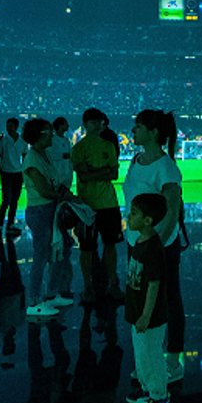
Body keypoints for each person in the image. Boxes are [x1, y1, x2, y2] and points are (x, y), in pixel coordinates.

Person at [123, 109, 186, 382]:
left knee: (168, 299)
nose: (133, 131)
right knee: (142, 298)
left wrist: (156, 247)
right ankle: (148, 359)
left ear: (154, 132)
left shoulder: (166, 168)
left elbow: (172, 211)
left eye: (138, 126)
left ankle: (172, 361)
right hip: (136, 243)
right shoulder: (135, 161)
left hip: (160, 246)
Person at [123, 193, 173, 403]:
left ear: (147, 220)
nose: (128, 216)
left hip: (150, 317)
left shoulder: (152, 248)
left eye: (134, 213)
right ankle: (147, 390)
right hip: (138, 313)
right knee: (142, 354)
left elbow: (154, 285)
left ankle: (160, 398)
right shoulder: (140, 241)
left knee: (152, 356)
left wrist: (145, 315)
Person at [21, 118, 78, 316]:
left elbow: (55, 182)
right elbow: (44, 190)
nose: (52, 134)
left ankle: (52, 294)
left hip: (51, 210)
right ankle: (34, 301)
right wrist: (67, 197)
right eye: (48, 131)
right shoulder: (32, 159)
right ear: (38, 135)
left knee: (60, 250)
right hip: (40, 211)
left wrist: (65, 193)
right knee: (42, 255)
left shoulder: (44, 155)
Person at [71, 108, 125, 302]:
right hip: (87, 206)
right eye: (93, 122)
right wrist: (103, 172)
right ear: (85, 124)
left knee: (111, 245)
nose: (97, 125)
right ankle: (88, 288)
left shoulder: (109, 146)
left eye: (100, 122)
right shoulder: (78, 148)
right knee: (86, 248)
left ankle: (112, 285)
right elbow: (83, 177)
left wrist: (92, 172)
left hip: (109, 204)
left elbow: (114, 174)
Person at [0, 118, 27, 236]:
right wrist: (1, 172)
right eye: (7, 126)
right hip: (7, 174)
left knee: (14, 200)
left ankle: (10, 224)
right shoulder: (4, 140)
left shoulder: (22, 141)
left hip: (18, 173)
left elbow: (25, 157)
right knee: (7, 200)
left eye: (10, 126)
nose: (8, 128)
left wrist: (23, 171)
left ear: (16, 127)